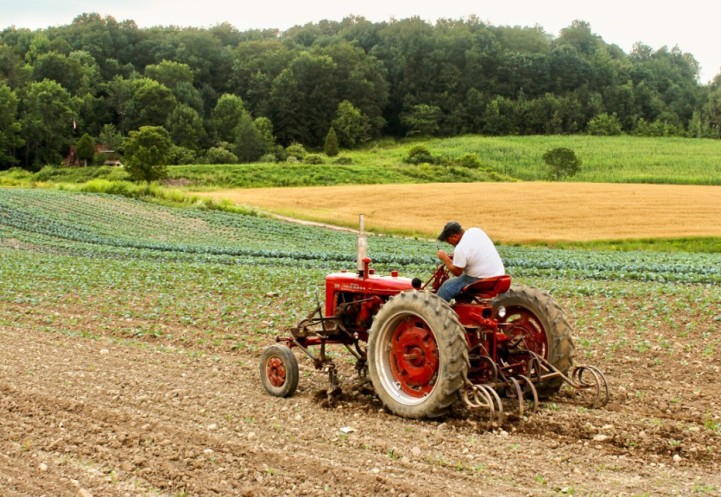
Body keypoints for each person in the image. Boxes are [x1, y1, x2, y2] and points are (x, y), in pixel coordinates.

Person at [435, 221, 505, 302]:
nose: (447, 242)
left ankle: (435, 312)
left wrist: (445, 258)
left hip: (483, 279)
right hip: (498, 273)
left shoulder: (461, 248)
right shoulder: (475, 231)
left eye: (447, 239)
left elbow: (457, 272)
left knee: (447, 287)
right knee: (460, 283)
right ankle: (462, 303)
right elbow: (474, 251)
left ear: (455, 237)